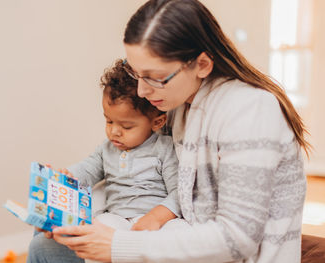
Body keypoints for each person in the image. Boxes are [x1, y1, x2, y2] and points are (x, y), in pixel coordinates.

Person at [29, 0, 311, 262]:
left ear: (201, 64)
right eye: (136, 74)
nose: (142, 90)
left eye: (154, 77)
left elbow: (238, 238)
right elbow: (135, 170)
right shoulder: (176, 107)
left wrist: (118, 245)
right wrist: (71, 212)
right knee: (46, 242)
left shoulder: (250, 110)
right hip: (178, 238)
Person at [27, 59, 185, 262]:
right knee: (96, 234)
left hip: (155, 218)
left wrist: (156, 217)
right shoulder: (107, 148)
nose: (114, 131)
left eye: (126, 126)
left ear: (157, 122)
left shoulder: (163, 148)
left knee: (178, 232)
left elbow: (179, 192)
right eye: (109, 121)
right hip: (116, 219)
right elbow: (88, 168)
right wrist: (67, 175)